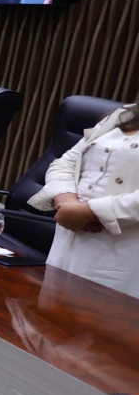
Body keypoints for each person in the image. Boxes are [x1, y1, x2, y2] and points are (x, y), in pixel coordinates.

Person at [28, 101, 139, 296]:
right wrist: (67, 201)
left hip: (125, 252)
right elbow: (66, 162)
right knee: (51, 314)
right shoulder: (124, 114)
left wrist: (90, 212)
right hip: (69, 235)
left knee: (104, 319)